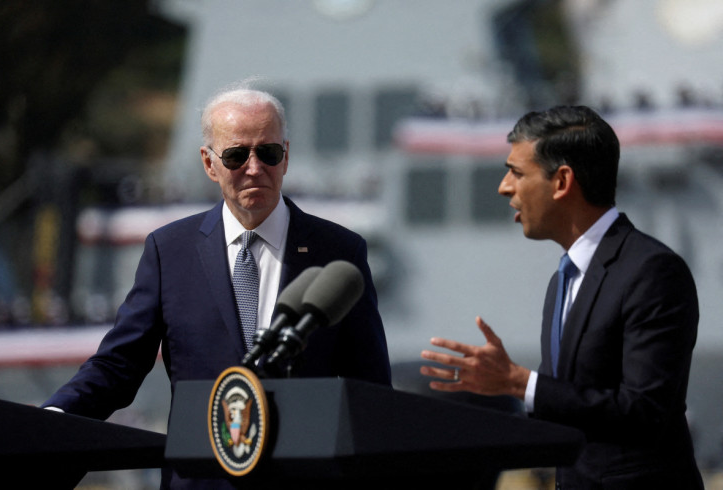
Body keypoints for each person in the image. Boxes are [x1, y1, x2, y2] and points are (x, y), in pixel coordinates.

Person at [43, 83, 391, 488]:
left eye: (269, 152)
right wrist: (55, 418)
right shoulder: (169, 251)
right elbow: (120, 364)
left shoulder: (339, 252)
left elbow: (370, 389)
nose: (255, 167)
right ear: (209, 163)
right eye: (237, 155)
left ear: (287, 157)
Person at [420, 105, 703, 489]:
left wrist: (520, 383)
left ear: (562, 181)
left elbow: (645, 410)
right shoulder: (563, 281)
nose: (505, 186)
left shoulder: (651, 271)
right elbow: (571, 408)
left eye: (517, 173)